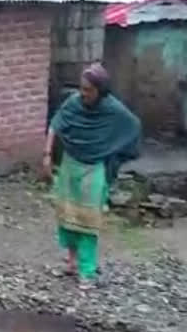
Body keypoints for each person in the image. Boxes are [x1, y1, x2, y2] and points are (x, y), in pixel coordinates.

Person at [43, 62, 141, 289]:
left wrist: (113, 152)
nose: (83, 93)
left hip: (93, 169)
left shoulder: (113, 110)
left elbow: (133, 126)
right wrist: (47, 155)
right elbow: (55, 123)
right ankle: (71, 262)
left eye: (88, 90)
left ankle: (87, 272)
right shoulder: (74, 103)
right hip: (70, 165)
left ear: (100, 90)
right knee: (67, 216)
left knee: (87, 221)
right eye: (81, 88)